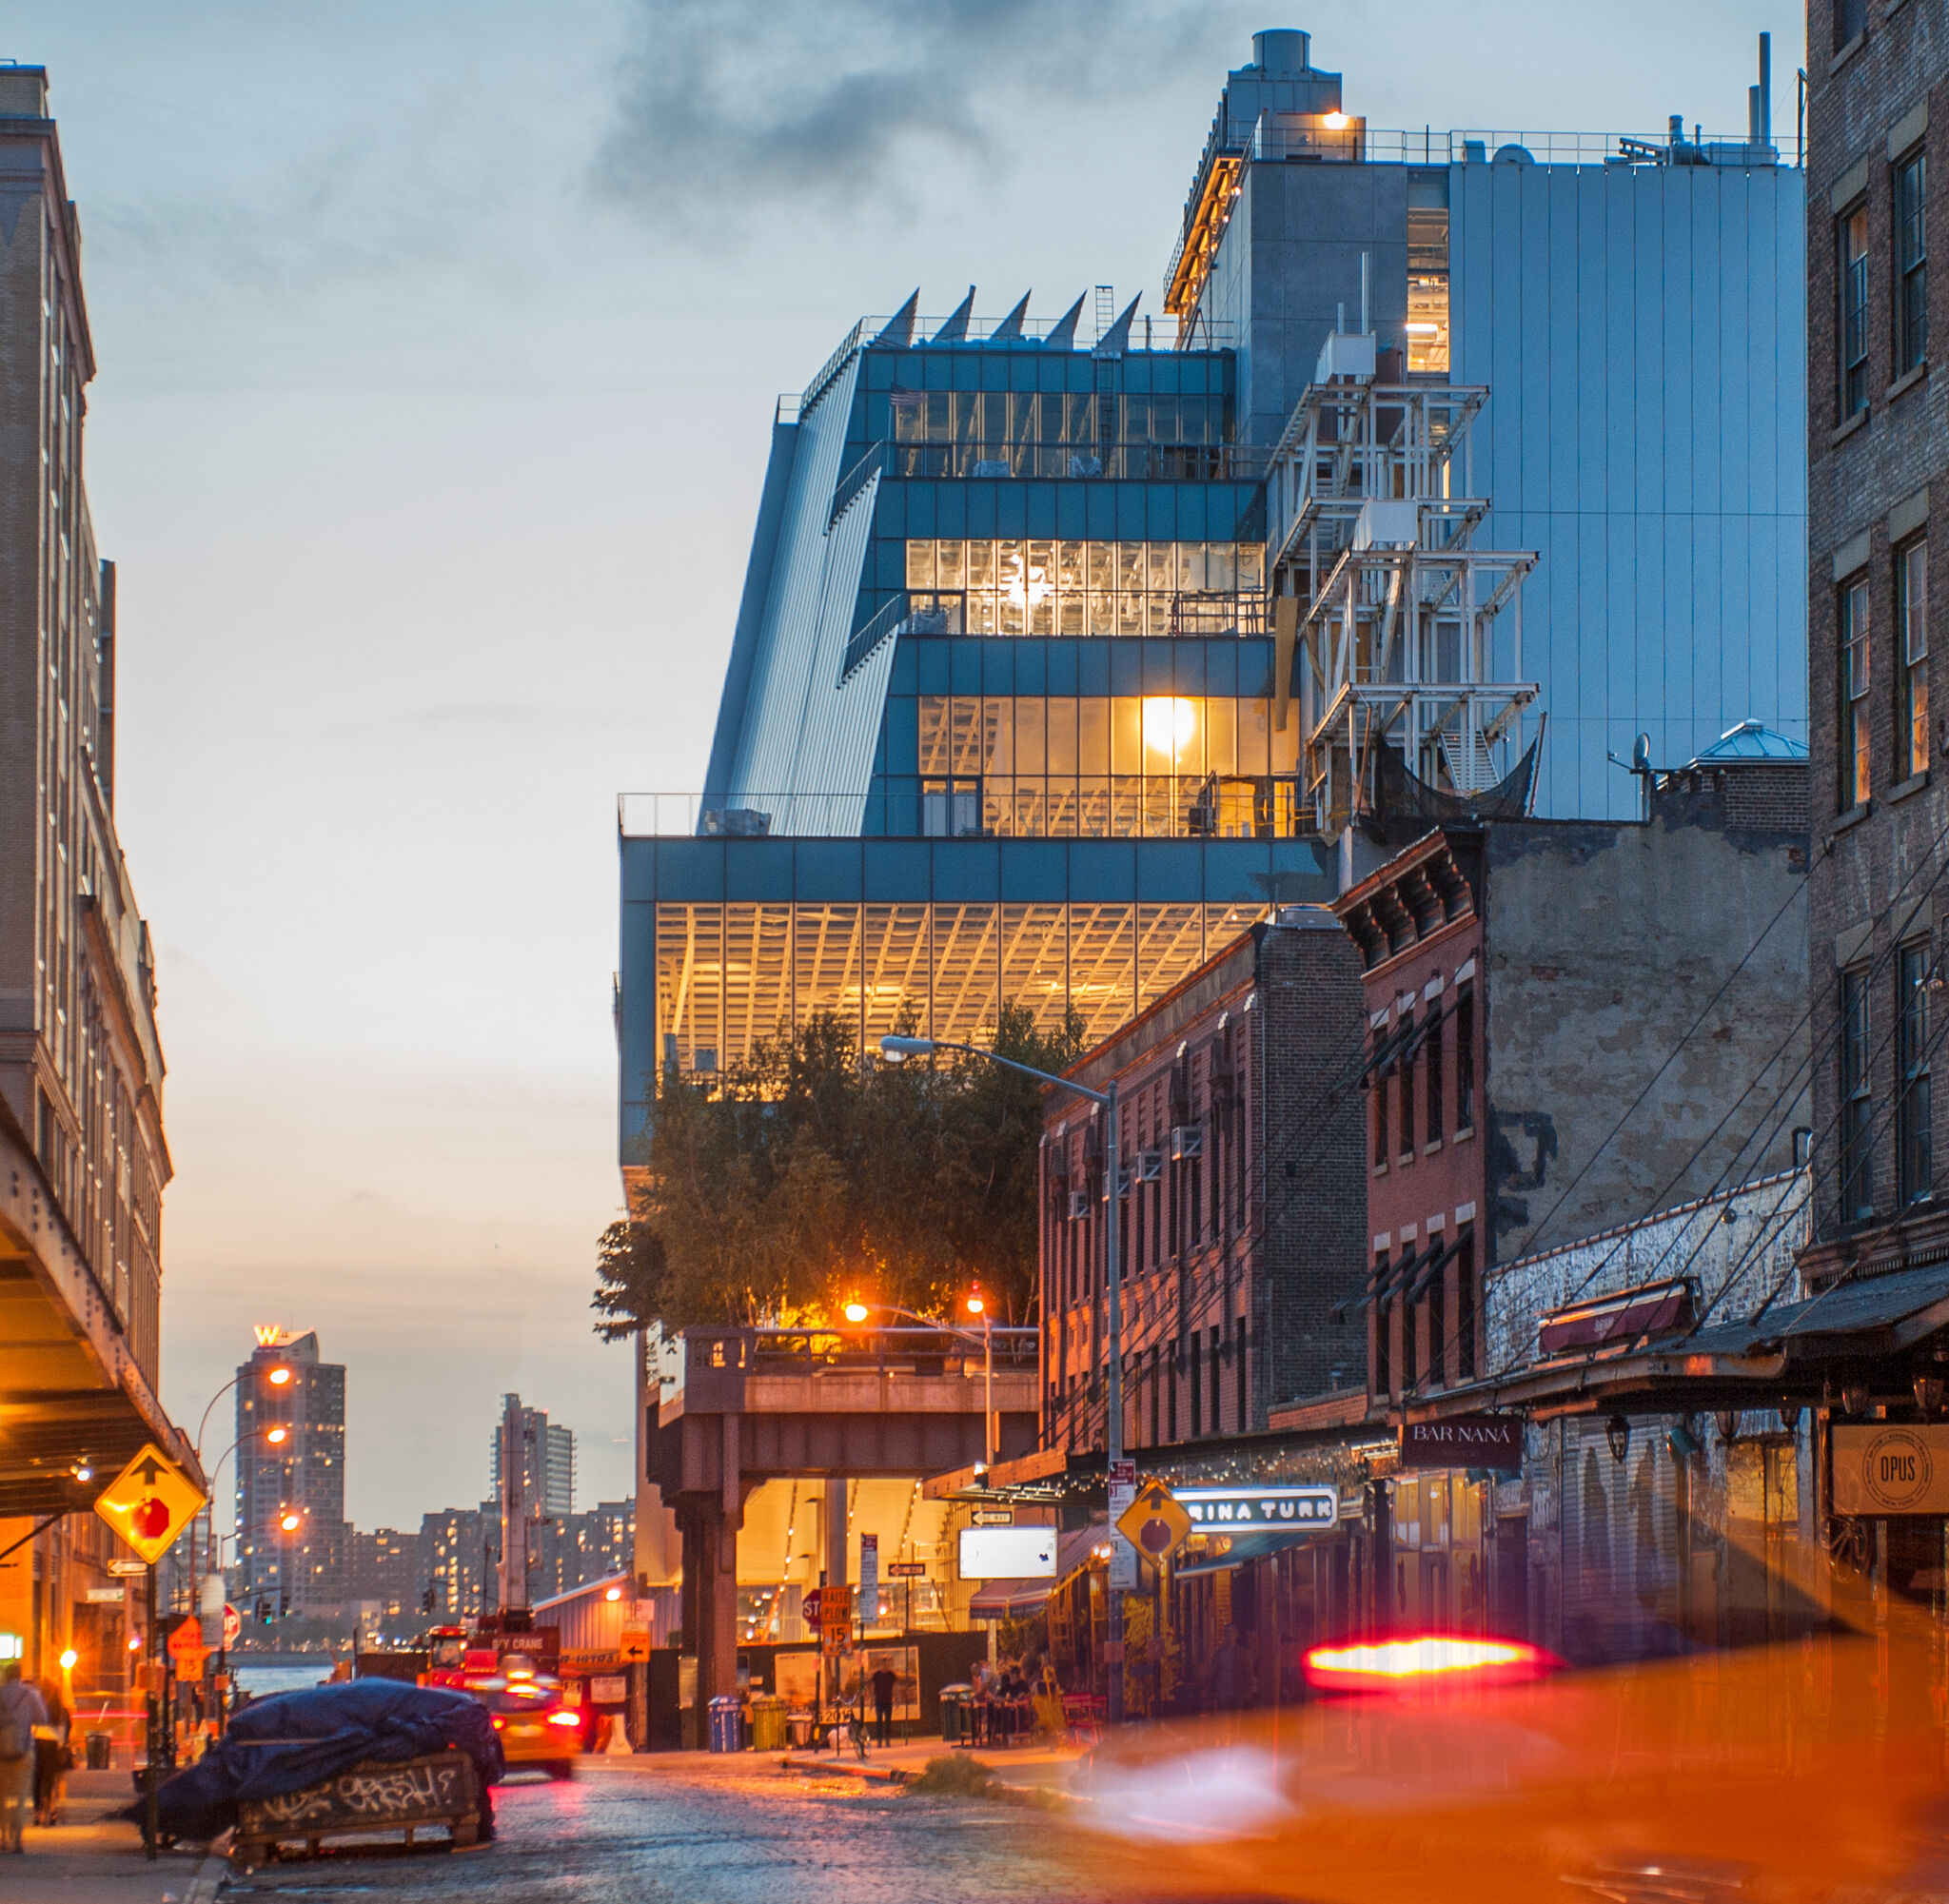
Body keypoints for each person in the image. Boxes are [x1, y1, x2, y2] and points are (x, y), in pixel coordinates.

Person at [0, 1663, 48, 1853]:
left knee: (2, 1797)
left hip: (1, 1752)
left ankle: (3, 1837)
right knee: (20, 1797)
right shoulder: (29, 1694)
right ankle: (17, 1839)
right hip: (24, 1751)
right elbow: (42, 1718)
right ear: (20, 1676)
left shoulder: (0, 1694)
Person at [31, 1676, 68, 1828]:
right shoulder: (58, 1704)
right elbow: (62, 1726)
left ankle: (37, 1813)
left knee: (37, 1777)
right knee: (49, 1778)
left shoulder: (37, 1701)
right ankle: (50, 1807)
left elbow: (31, 1723)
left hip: (38, 1741)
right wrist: (60, 1744)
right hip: (52, 1743)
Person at [869, 1661, 896, 1748]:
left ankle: (887, 1740)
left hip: (888, 1701)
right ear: (881, 1665)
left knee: (888, 1721)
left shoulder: (891, 1675)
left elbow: (895, 1687)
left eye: (887, 1664)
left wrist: (897, 1698)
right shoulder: (876, 1675)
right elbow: (872, 1687)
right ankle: (879, 1741)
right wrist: (871, 1700)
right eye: (883, 1664)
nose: (885, 1666)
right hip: (879, 1701)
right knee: (879, 1721)